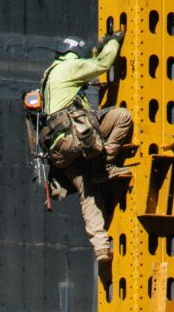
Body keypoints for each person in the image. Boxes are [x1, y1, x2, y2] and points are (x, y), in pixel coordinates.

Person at [41, 33, 133, 264]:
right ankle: (105, 165)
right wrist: (113, 42)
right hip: (75, 137)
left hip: (59, 152)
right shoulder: (71, 67)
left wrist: (95, 50)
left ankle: (101, 248)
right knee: (122, 116)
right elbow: (101, 64)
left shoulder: (50, 74)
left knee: (88, 193)